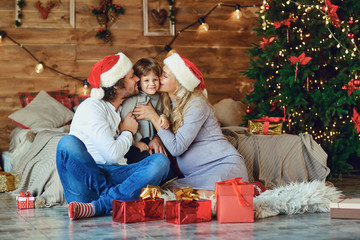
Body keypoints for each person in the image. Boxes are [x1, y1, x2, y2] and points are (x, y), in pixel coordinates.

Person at [56, 52, 170, 220]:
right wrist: (127, 132)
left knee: (161, 161)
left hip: (112, 173)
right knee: (67, 143)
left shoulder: (123, 109)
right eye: (132, 76)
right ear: (116, 85)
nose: (137, 79)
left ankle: (99, 205)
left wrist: (156, 136)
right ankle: (111, 199)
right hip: (85, 178)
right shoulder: (92, 107)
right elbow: (112, 154)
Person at [133, 53, 249, 197]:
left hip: (221, 167)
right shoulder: (170, 103)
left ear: (180, 82)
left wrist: (153, 117)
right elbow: (167, 132)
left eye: (165, 75)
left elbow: (177, 148)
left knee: (200, 199)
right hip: (195, 174)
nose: (159, 77)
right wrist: (158, 137)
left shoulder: (196, 105)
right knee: (166, 192)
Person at [120, 58, 169, 164]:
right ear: (139, 82)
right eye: (146, 80)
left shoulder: (159, 97)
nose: (152, 84)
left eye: (155, 80)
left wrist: (163, 116)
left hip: (150, 140)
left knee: (162, 158)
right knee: (144, 160)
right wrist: (136, 142)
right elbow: (124, 121)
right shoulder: (133, 99)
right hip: (134, 142)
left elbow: (157, 111)